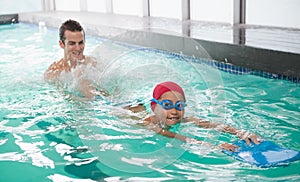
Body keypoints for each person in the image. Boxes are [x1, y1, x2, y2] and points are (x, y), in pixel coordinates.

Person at [125, 81, 262, 152]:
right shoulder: (150, 123)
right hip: (124, 108)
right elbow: (178, 137)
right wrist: (214, 147)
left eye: (179, 105)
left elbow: (211, 124)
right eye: (167, 105)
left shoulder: (184, 119)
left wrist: (240, 132)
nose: (174, 111)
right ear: (155, 107)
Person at [44, 19, 107, 99]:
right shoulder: (54, 72)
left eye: (81, 43)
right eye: (72, 43)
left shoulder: (93, 64)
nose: (78, 48)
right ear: (61, 44)